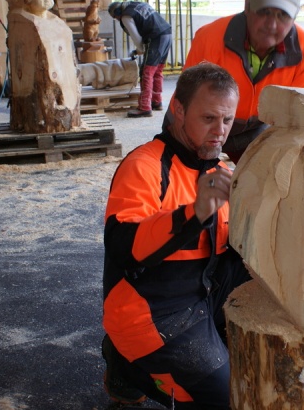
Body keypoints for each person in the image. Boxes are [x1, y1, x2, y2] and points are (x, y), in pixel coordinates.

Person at [101, 63, 249, 409]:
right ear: (178, 109)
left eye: (227, 120)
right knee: (231, 399)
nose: (220, 132)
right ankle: (126, 362)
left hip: (204, 292)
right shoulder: (144, 166)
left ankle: (151, 360)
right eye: (209, 118)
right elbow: (124, 248)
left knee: (268, 289)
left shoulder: (220, 170)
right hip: (154, 309)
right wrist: (193, 213)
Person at [177, 0, 304, 163]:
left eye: (282, 15)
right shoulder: (209, 38)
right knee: (181, 171)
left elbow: (298, 122)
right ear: (247, 5)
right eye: (264, 12)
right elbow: (186, 109)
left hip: (260, 128)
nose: (271, 25)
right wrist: (200, 168)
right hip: (204, 124)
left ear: (295, 15)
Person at [107, 1, 172, 118]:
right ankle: (156, 101)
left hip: (155, 37)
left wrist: (139, 50)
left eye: (116, 17)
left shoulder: (126, 16)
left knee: (147, 72)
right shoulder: (137, 5)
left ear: (117, 12)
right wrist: (140, 49)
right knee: (157, 71)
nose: (117, 19)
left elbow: (136, 37)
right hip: (166, 34)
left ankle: (145, 107)